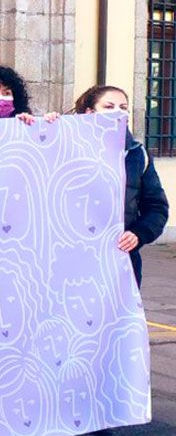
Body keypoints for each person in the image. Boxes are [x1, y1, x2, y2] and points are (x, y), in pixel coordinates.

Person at [73, 85, 169, 286]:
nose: (118, 112)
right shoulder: (67, 147)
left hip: (120, 260)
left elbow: (157, 208)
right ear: (90, 112)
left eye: (123, 107)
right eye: (109, 106)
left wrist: (139, 234)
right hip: (72, 259)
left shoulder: (137, 155)